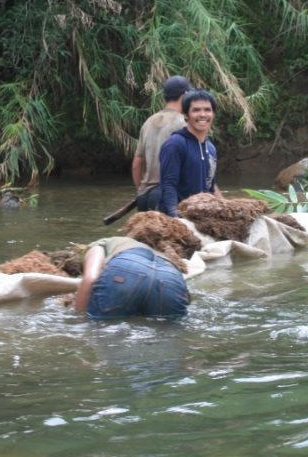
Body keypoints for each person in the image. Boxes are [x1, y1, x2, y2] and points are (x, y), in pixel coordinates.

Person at [73, 236, 190, 319]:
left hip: (127, 266)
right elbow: (186, 298)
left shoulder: (97, 245)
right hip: (171, 276)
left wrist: (80, 320)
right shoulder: (154, 252)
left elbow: (90, 278)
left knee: (103, 331)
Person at [158, 88, 222, 217]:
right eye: (196, 110)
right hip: (176, 217)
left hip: (201, 217)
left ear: (213, 114)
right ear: (186, 115)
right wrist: (175, 217)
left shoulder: (211, 148)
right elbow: (169, 185)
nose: (203, 115)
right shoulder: (175, 144)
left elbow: (210, 189)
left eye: (207, 110)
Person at [132, 75, 192, 212]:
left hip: (144, 196)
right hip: (167, 197)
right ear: (185, 95)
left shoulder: (148, 122)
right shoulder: (184, 123)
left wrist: (141, 191)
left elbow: (137, 164)